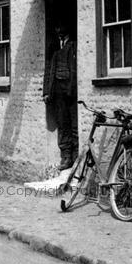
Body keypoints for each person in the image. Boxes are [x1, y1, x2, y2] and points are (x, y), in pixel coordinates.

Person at [43, 22, 78, 170]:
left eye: (61, 26)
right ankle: (66, 157)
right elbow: (48, 69)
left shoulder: (74, 44)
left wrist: (73, 88)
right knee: (62, 124)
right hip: (57, 91)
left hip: (71, 90)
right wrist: (46, 91)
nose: (58, 29)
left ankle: (76, 157)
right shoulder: (54, 45)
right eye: (57, 27)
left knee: (74, 124)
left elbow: (75, 68)